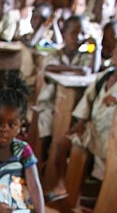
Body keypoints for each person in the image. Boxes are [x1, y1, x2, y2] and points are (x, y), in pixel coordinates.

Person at [48, 29, 117, 196]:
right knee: (62, 144)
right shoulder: (104, 77)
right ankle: (60, 184)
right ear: (113, 52)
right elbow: (88, 99)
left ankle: (98, 198)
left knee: (107, 171)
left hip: (115, 135)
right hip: (94, 128)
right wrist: (79, 123)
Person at [35, 16, 95, 145]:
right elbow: (49, 67)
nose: (78, 38)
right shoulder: (56, 53)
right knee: (48, 123)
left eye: (83, 34)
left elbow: (92, 70)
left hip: (75, 107)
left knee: (76, 127)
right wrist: (76, 69)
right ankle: (45, 155)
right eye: (73, 33)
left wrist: (96, 48)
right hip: (50, 103)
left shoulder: (84, 56)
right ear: (64, 34)